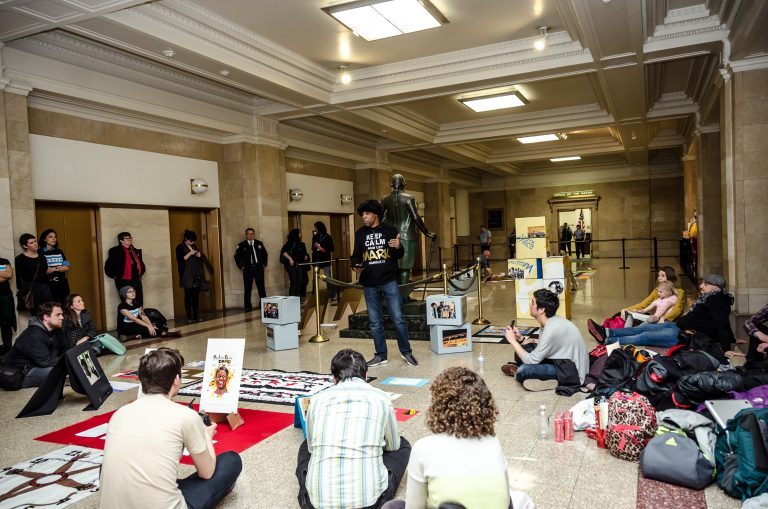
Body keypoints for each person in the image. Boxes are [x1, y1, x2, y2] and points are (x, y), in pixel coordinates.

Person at [100, 348, 242, 509]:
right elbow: (207, 472)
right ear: (176, 380)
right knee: (230, 460)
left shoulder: (119, 414)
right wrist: (206, 437)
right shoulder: (186, 416)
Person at [382, 367, 534, 509]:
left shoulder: (423, 448)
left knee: (392, 506)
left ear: (438, 407)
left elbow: (414, 506)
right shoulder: (493, 443)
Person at [295, 349, 411, 509]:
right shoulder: (382, 399)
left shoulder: (316, 400)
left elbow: (311, 447)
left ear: (334, 378)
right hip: (371, 504)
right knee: (402, 445)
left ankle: (312, 488)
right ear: (366, 374)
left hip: (316, 505)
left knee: (305, 446)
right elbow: (393, 446)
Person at [350, 200, 417, 367]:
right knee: (374, 322)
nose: (364, 217)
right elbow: (356, 254)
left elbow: (399, 254)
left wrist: (398, 246)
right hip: (369, 283)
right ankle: (381, 354)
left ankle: (406, 352)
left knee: (398, 318)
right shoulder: (360, 234)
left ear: (376, 215)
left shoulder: (389, 230)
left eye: (367, 214)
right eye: (362, 215)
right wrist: (355, 265)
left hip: (388, 281)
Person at [588, 274, 735, 350]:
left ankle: (608, 341)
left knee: (643, 336)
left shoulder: (718, 300)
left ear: (716, 288)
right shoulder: (711, 298)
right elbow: (724, 321)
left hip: (682, 336)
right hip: (676, 326)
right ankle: (606, 331)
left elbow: (721, 322)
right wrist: (733, 338)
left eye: (706, 284)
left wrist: (727, 346)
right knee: (645, 327)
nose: (701, 286)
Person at [502, 289, 588, 392]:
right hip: (560, 361)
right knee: (522, 350)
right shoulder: (550, 322)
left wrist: (513, 341)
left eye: (533, 303)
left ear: (541, 309)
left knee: (523, 370)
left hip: (570, 371)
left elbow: (532, 360)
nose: (530, 305)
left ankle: (547, 380)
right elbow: (543, 347)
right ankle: (536, 377)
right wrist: (521, 339)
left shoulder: (551, 328)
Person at [381, 174, 436, 295]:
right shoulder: (408, 198)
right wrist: (427, 232)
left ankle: (393, 295)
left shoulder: (385, 199)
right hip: (407, 236)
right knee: (405, 268)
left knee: (394, 267)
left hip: (391, 237)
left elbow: (380, 219)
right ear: (404, 183)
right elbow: (415, 217)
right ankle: (403, 297)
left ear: (391, 184)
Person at [1, 302, 63, 388]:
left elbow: (55, 352)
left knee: (63, 368)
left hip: (35, 366)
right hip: (21, 373)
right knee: (59, 372)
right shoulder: (33, 335)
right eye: (58, 315)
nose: (62, 317)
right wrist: (66, 360)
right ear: (46, 317)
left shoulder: (51, 332)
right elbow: (46, 362)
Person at [116, 286, 181, 340]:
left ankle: (133, 337)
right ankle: (168, 334)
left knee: (156, 325)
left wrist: (151, 325)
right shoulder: (122, 306)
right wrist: (148, 326)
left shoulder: (137, 304)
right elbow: (134, 319)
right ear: (125, 294)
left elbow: (144, 317)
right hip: (125, 328)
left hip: (135, 325)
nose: (133, 293)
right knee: (146, 329)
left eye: (133, 291)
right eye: (129, 292)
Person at [176, 230, 211, 323]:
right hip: (186, 275)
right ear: (186, 239)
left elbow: (200, 259)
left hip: (196, 274)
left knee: (195, 296)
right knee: (188, 296)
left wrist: (199, 255)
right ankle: (189, 317)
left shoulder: (194, 246)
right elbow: (180, 260)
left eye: (193, 241)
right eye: (191, 241)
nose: (193, 242)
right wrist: (189, 253)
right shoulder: (180, 247)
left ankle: (195, 316)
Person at [104, 232, 146, 306]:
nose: (130, 240)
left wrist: (141, 272)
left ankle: (139, 316)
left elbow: (140, 263)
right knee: (127, 302)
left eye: (130, 238)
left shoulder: (134, 250)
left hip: (136, 279)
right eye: (127, 238)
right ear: (121, 240)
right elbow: (109, 266)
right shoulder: (115, 251)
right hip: (124, 281)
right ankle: (129, 317)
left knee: (139, 300)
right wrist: (115, 276)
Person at [15, 233, 52, 314]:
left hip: (44, 287)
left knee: (49, 312)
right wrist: (21, 290)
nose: (35, 244)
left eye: (35, 241)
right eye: (31, 243)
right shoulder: (19, 259)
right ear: (25, 246)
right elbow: (18, 276)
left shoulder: (42, 256)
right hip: (30, 289)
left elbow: (45, 272)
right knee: (36, 313)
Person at [233, 227, 268, 312]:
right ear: (246, 235)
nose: (250, 235)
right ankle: (247, 305)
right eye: (248, 234)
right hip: (248, 269)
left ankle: (263, 304)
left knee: (261, 287)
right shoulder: (241, 245)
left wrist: (264, 264)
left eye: (252, 234)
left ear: (254, 234)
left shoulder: (259, 244)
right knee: (248, 287)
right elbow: (236, 257)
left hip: (259, 268)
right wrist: (242, 266)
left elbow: (265, 254)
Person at [39, 229, 71, 304]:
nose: (53, 239)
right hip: (50, 283)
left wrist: (54, 268)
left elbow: (67, 267)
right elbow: (46, 270)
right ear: (44, 239)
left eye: (55, 237)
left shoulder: (60, 251)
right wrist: (59, 268)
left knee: (66, 304)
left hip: (63, 282)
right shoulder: (40, 252)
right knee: (54, 306)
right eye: (50, 237)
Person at [281, 228, 310, 300]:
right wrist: (290, 259)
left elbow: (304, 253)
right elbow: (283, 252)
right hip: (291, 265)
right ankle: (292, 298)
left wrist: (306, 255)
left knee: (299, 281)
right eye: (299, 233)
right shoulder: (290, 243)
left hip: (299, 265)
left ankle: (297, 297)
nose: (300, 235)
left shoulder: (301, 244)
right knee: (294, 281)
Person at [311, 221, 336, 302]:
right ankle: (314, 295)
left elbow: (332, 248)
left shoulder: (328, 237)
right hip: (317, 258)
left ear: (319, 227)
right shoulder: (315, 237)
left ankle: (332, 295)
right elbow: (312, 247)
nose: (315, 229)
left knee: (328, 277)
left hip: (325, 259)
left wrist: (322, 249)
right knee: (315, 277)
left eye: (316, 227)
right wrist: (315, 246)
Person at [0, 256, 15, 354]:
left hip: (5, 297)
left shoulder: (4, 261)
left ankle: (7, 348)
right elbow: (6, 275)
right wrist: (3, 274)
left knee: (6, 322)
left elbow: (9, 274)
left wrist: (6, 274)